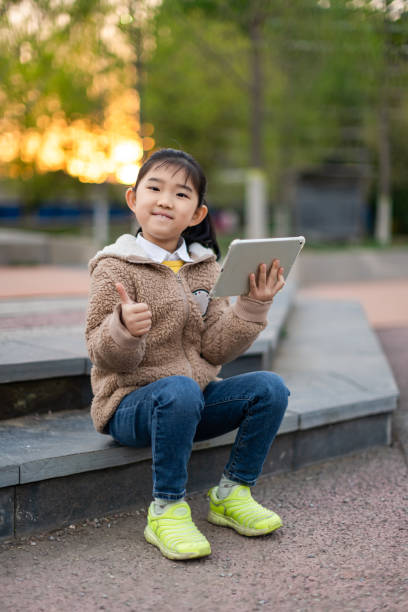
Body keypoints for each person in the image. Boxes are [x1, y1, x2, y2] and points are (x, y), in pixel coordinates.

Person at [86, 148, 290, 561]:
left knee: (270, 388)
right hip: (130, 405)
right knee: (177, 390)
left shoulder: (204, 268)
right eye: (154, 188)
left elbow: (215, 347)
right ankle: (166, 510)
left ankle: (231, 494)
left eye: (181, 194)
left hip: (190, 400)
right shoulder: (115, 267)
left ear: (197, 214)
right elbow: (102, 353)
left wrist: (253, 305)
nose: (165, 200)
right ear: (133, 199)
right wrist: (123, 330)